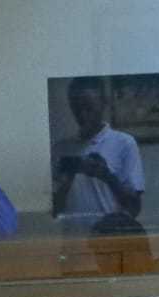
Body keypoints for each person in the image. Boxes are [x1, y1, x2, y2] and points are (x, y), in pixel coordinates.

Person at [51, 76, 145, 227]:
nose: (82, 114)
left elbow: (134, 209)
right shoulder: (61, 149)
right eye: (76, 107)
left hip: (111, 237)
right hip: (73, 238)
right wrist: (68, 178)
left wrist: (106, 176)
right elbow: (55, 212)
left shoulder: (124, 144)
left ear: (104, 104)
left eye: (89, 107)